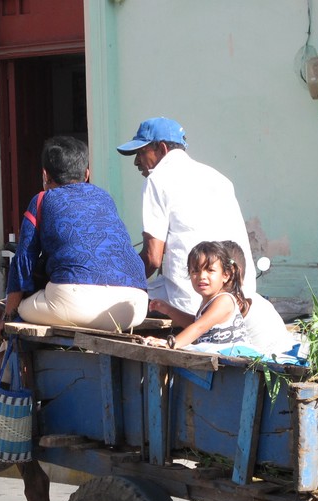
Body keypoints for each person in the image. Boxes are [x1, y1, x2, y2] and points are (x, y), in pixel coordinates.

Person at [0, 136, 148, 339]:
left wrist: (8, 318)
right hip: (135, 308)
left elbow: (23, 261)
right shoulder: (104, 197)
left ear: (45, 175)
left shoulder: (42, 199)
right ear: (87, 174)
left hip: (77, 303)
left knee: (21, 308)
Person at [117, 117, 256, 316]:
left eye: (141, 152)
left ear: (162, 149)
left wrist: (123, 283)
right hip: (239, 297)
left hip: (190, 301)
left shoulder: (157, 179)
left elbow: (152, 258)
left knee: (119, 302)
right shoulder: (219, 178)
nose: (137, 161)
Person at [149, 240, 249, 351]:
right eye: (195, 271)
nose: (202, 276)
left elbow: (199, 327)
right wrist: (168, 310)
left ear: (226, 275)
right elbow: (196, 324)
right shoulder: (207, 302)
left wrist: (169, 345)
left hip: (232, 362)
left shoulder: (224, 300)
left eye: (210, 270)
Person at [221, 240, 301, 357]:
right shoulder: (250, 295)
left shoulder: (232, 299)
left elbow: (201, 329)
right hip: (284, 356)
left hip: (269, 366)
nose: (203, 276)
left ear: (229, 273)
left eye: (210, 270)